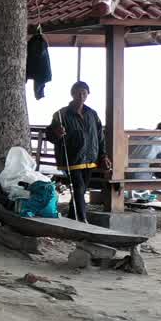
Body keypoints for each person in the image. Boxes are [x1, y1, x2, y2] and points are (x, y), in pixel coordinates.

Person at [47, 81, 112, 222]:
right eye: (78, 92)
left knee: (81, 190)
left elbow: (100, 137)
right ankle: (82, 219)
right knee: (78, 187)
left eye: (84, 92)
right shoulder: (61, 114)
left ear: (88, 94)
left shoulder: (92, 114)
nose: (81, 95)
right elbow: (50, 135)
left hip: (90, 159)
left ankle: (72, 216)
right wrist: (56, 133)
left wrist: (103, 156)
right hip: (72, 158)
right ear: (72, 94)